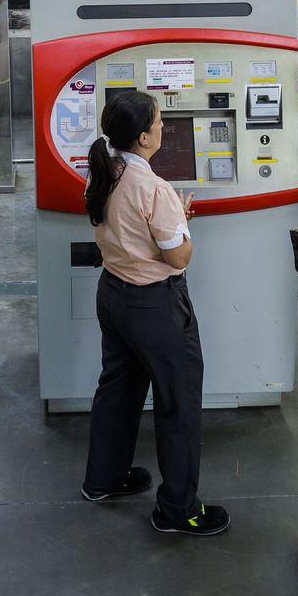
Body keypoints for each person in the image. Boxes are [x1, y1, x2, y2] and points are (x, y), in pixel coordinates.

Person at [80, 90, 229, 536]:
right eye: (160, 121)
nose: (165, 126)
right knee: (178, 401)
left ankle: (102, 479)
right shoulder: (154, 188)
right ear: (144, 137)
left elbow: (125, 229)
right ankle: (178, 510)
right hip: (156, 307)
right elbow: (178, 258)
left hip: (114, 296)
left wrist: (169, 222)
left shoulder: (102, 172)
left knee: (119, 388)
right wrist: (182, 226)